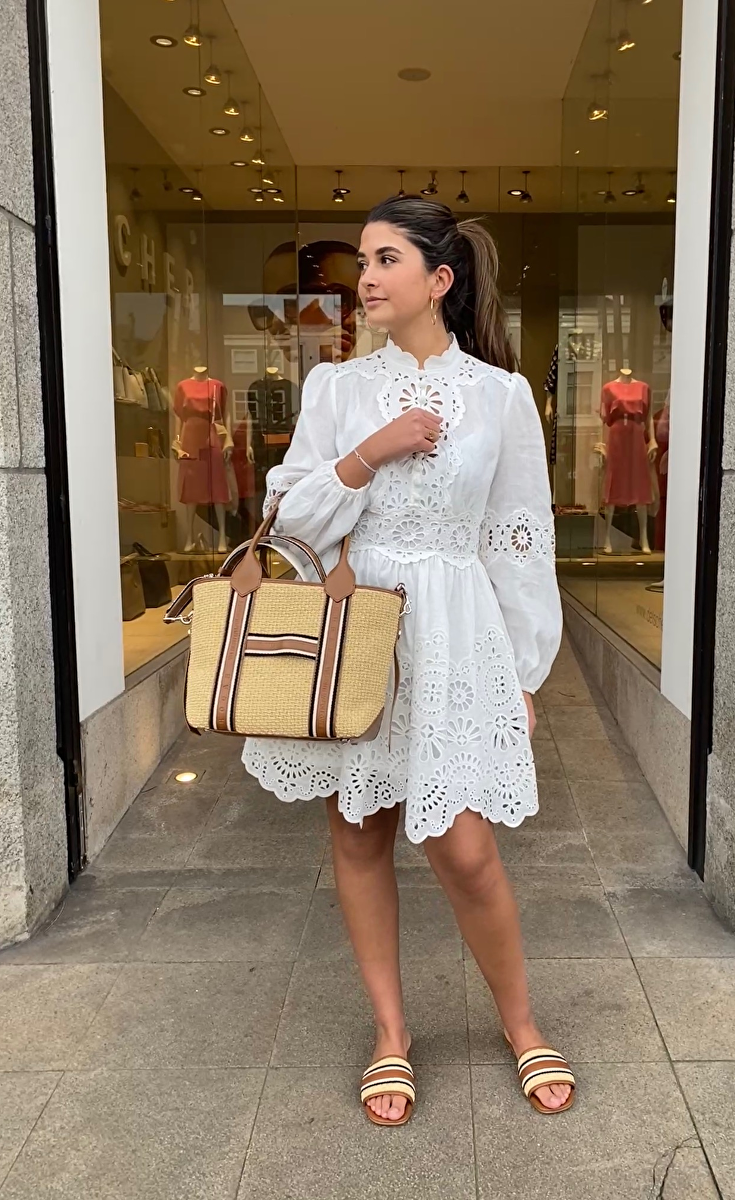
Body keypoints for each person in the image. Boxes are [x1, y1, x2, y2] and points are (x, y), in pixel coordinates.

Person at [241, 195, 575, 1124]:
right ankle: (391, 1034)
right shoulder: (337, 390)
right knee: (360, 834)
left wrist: (523, 675)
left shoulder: (502, 397)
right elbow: (287, 520)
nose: (366, 278)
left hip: (459, 633)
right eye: (363, 261)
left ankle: (520, 1022)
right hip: (360, 628)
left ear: (440, 279)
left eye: (386, 259)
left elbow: (519, 538)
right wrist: (367, 455)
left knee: (465, 849)